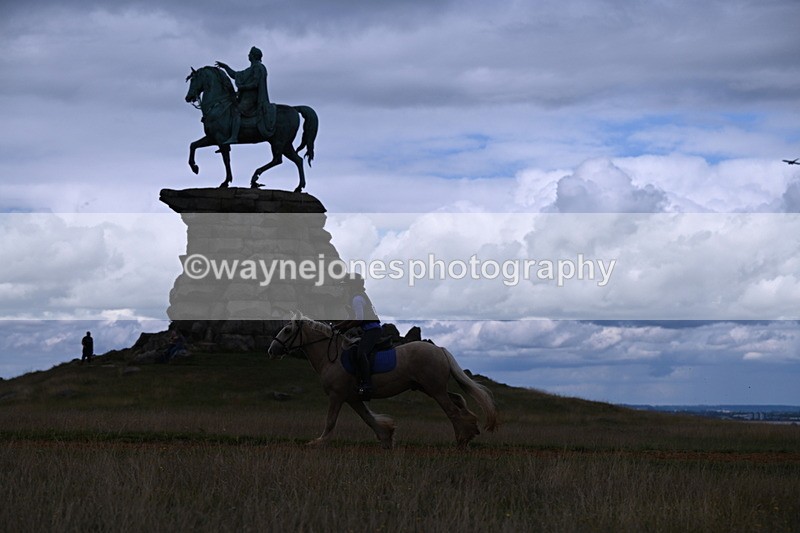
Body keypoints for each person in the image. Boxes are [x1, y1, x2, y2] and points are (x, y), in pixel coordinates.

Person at [333, 275, 381, 400]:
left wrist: (345, 328)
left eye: (347, 286)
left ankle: (367, 385)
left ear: (353, 286)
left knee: (361, 353)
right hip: (369, 330)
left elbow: (359, 319)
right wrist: (338, 326)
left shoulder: (357, 298)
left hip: (372, 330)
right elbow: (351, 318)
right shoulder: (356, 297)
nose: (345, 288)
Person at [215, 46, 275, 144]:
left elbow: (255, 83)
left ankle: (234, 137)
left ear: (253, 56)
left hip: (253, 98)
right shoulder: (250, 69)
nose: (248, 55)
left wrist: (242, 87)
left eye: (250, 54)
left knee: (237, 111)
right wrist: (225, 67)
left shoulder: (258, 67)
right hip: (246, 98)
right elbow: (235, 75)